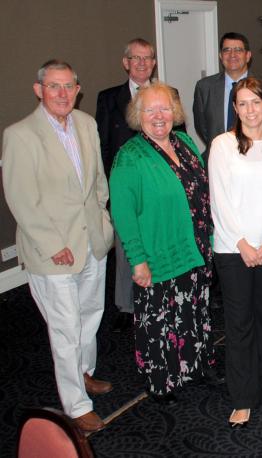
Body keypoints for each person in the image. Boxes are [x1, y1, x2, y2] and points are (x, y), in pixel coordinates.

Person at [2, 60, 114, 433]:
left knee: (90, 313)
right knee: (65, 328)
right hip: (51, 251)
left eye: (69, 87)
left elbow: (97, 180)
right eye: (54, 87)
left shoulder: (86, 123)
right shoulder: (20, 135)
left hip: (90, 241)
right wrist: (52, 244)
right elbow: (20, 198)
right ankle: (76, 403)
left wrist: (103, 220)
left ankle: (84, 373)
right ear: (39, 90)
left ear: (78, 89)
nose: (63, 94)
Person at [110, 82, 221, 406]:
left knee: (194, 310)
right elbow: (124, 215)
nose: (159, 116)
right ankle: (162, 381)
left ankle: (196, 366)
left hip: (196, 246)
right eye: (150, 110)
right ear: (137, 115)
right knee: (160, 319)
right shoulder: (129, 157)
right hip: (159, 253)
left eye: (165, 109)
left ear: (175, 113)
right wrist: (138, 260)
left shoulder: (185, 141)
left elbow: (203, 193)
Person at [209, 77, 262, 427]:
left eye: (256, 102)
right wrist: (242, 244)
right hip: (232, 248)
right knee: (239, 322)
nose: (250, 110)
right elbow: (219, 201)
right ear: (235, 108)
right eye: (242, 103)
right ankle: (242, 397)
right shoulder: (222, 145)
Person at [96, 38, 158, 333]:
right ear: (126, 63)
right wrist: (108, 192)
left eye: (147, 58)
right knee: (125, 248)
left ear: (154, 63)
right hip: (124, 185)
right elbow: (103, 148)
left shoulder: (165, 95)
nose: (142, 63)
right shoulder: (108, 99)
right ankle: (125, 305)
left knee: (156, 241)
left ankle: (157, 295)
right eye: (136, 58)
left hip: (156, 185)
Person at [193, 32, 262, 158]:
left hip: (256, 158)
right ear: (221, 56)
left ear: (248, 56)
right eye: (227, 50)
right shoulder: (204, 87)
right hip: (218, 157)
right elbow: (202, 127)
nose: (232, 55)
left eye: (238, 50)